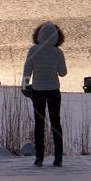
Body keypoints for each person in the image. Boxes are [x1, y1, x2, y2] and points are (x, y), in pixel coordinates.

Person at [22, 21, 67, 166]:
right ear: (57, 36)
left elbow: (27, 70)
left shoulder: (33, 50)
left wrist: (24, 86)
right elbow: (63, 73)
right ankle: (58, 158)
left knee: (39, 124)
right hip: (54, 90)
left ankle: (39, 158)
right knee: (56, 123)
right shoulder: (58, 52)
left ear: (38, 35)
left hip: (38, 91)